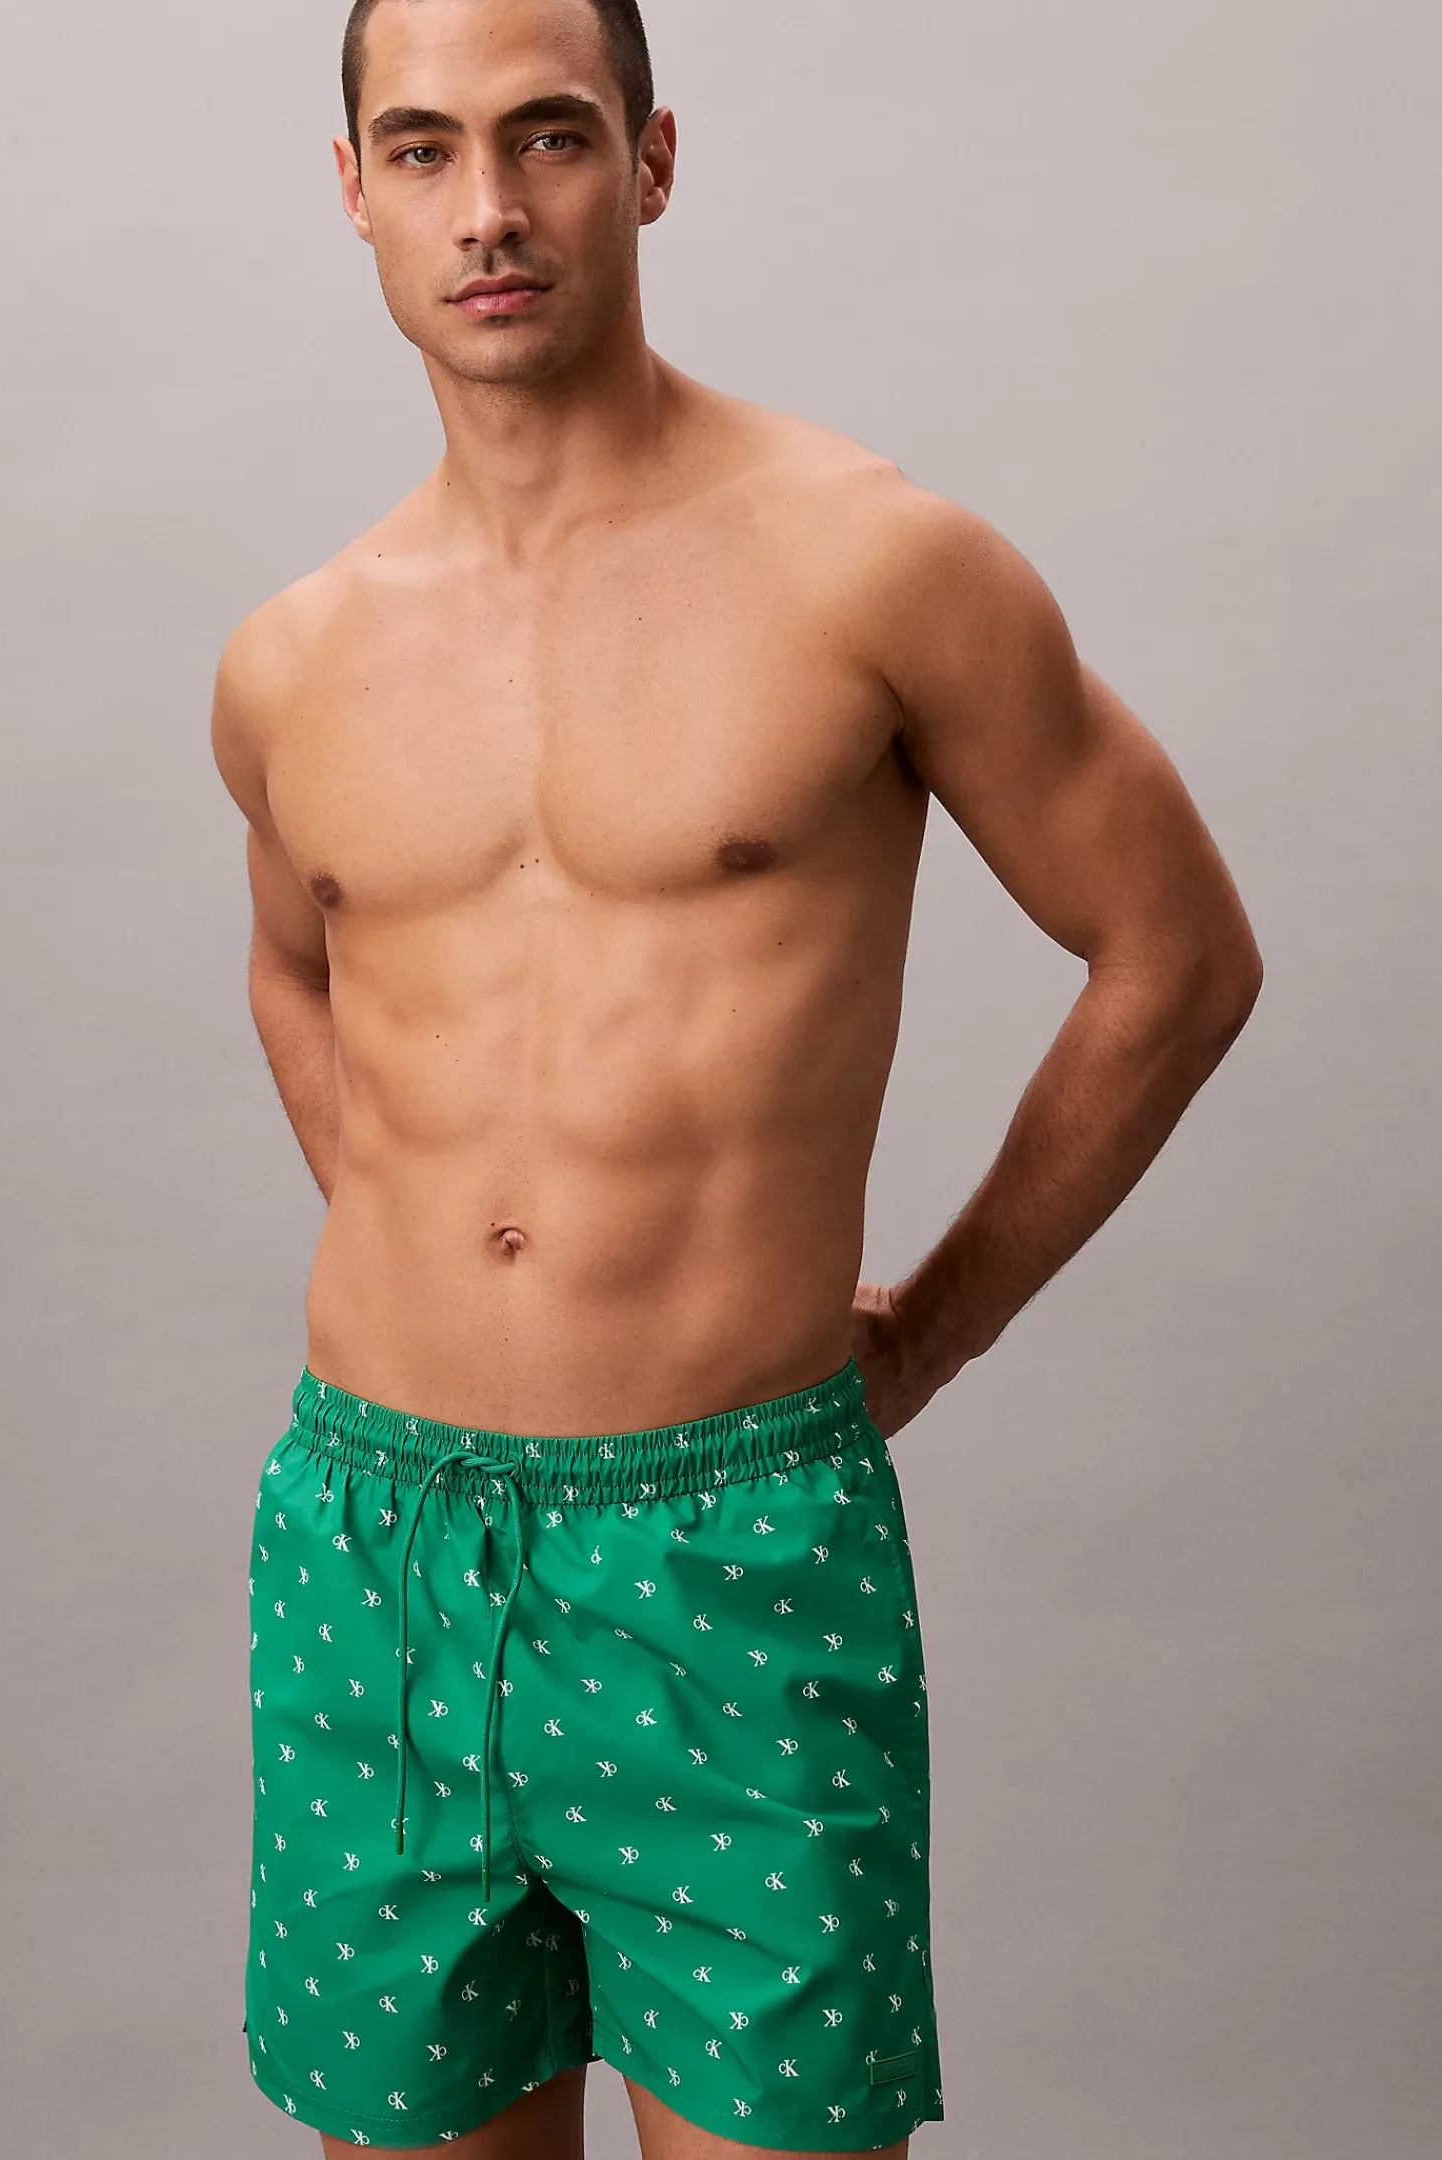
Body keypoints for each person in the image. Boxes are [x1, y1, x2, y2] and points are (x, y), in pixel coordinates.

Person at [209, 0, 1264, 2153]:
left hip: (730, 1552)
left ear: (653, 159)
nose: (487, 209)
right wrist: (438, 1240)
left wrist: (927, 1333)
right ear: (352, 193)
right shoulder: (292, 659)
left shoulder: (872, 566)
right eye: (421, 149)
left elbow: (1178, 956)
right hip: (373, 1557)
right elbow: (294, 975)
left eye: (548, 137)